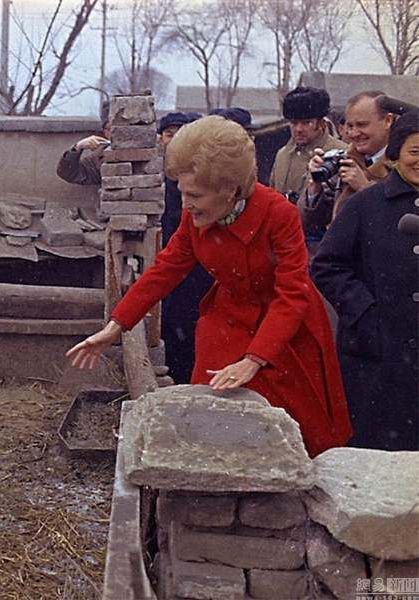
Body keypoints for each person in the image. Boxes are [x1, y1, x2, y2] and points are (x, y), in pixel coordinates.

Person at [66, 116, 352, 457]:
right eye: (183, 193)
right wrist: (116, 325)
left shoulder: (279, 214)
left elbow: (291, 294)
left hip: (284, 327)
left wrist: (254, 359)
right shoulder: (195, 214)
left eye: (194, 195)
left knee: (292, 426)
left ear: (230, 189)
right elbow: (166, 268)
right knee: (213, 413)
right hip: (228, 321)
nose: (185, 204)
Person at [310, 110, 418, 451]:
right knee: (377, 454)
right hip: (378, 355)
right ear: (398, 151)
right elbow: (327, 265)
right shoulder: (366, 204)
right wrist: (365, 313)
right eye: (416, 151)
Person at [159, 111, 211, 384]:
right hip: (172, 264)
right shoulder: (156, 176)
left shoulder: (210, 173)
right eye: (171, 134)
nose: (177, 140)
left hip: (204, 269)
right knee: (171, 328)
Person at [302, 91, 394, 230]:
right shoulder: (345, 159)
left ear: (388, 121)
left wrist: (364, 187)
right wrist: (315, 186)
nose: (353, 134)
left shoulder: (407, 163)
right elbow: (312, 222)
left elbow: (402, 218)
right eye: (350, 126)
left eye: (362, 125)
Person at [270, 87, 347, 206]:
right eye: (294, 123)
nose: (299, 129)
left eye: (306, 123)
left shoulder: (341, 154)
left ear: (321, 123)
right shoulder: (282, 155)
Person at [56, 101, 111, 186]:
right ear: (104, 131)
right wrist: (77, 147)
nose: (114, 132)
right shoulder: (100, 157)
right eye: (108, 129)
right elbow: (69, 174)